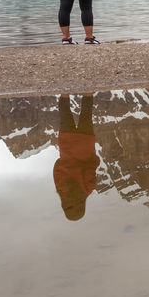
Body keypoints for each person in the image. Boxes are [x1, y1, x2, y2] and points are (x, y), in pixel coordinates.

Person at [54, 93, 99, 221]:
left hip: (85, 144)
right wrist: (64, 160)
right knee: (65, 115)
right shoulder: (61, 190)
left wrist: (93, 160)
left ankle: (88, 92)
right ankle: (64, 93)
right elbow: (56, 168)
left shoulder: (87, 189)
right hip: (67, 145)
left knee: (86, 115)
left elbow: (90, 170)